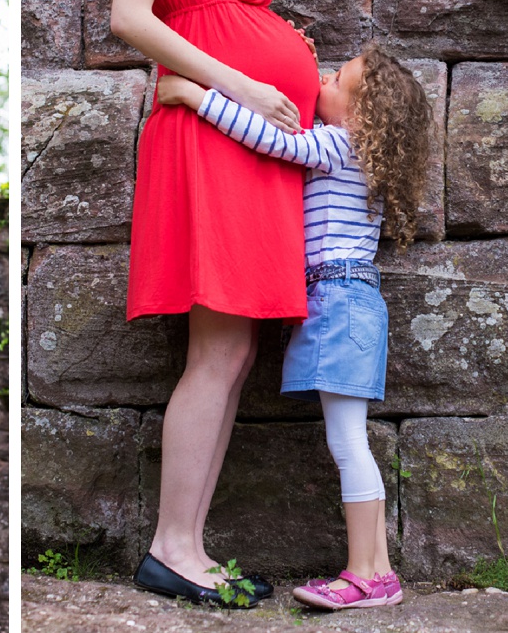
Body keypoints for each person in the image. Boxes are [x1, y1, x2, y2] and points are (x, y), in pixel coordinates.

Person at [109, 0, 337, 607]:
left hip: (242, 148)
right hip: (210, 141)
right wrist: (243, 76)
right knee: (218, 348)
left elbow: (214, 13)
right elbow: (129, 15)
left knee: (235, 350)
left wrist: (280, 53)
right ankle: (173, 546)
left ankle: (190, 548)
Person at [156, 44, 432, 610]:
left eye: (335, 78)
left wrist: (194, 93)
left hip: (338, 300)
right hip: (352, 301)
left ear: (359, 115)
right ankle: (377, 574)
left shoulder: (335, 144)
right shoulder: (361, 152)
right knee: (351, 440)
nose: (322, 78)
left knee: (347, 441)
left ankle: (366, 574)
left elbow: (275, 139)